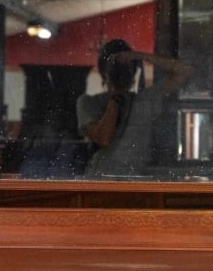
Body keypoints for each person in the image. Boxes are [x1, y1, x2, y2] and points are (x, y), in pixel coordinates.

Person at [76, 39, 192, 177]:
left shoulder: (144, 100)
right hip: (101, 178)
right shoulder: (89, 103)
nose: (122, 72)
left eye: (126, 68)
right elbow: (103, 139)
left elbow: (185, 70)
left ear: (134, 71)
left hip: (136, 178)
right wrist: (116, 94)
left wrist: (138, 56)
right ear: (103, 72)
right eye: (116, 68)